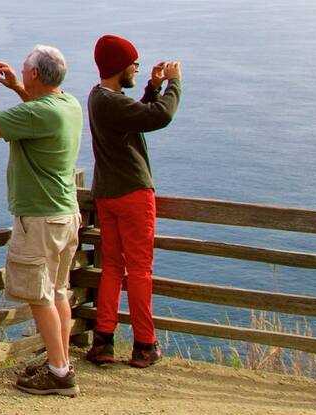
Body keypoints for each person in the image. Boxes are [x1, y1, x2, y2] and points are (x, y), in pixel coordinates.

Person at [0, 45, 84, 397]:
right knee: (58, 291)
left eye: (24, 71)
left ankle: (59, 373)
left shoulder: (40, 114)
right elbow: (37, 110)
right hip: (65, 216)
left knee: (39, 295)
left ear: (35, 74)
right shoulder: (69, 105)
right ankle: (59, 360)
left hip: (40, 220)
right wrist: (18, 88)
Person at [83, 35, 181, 369]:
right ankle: (143, 344)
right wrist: (174, 85)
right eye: (133, 63)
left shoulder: (100, 98)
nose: (136, 68)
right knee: (139, 270)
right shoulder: (112, 102)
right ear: (117, 67)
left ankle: (104, 341)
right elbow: (159, 117)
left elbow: (134, 114)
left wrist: (152, 88)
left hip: (107, 194)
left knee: (112, 267)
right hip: (134, 195)